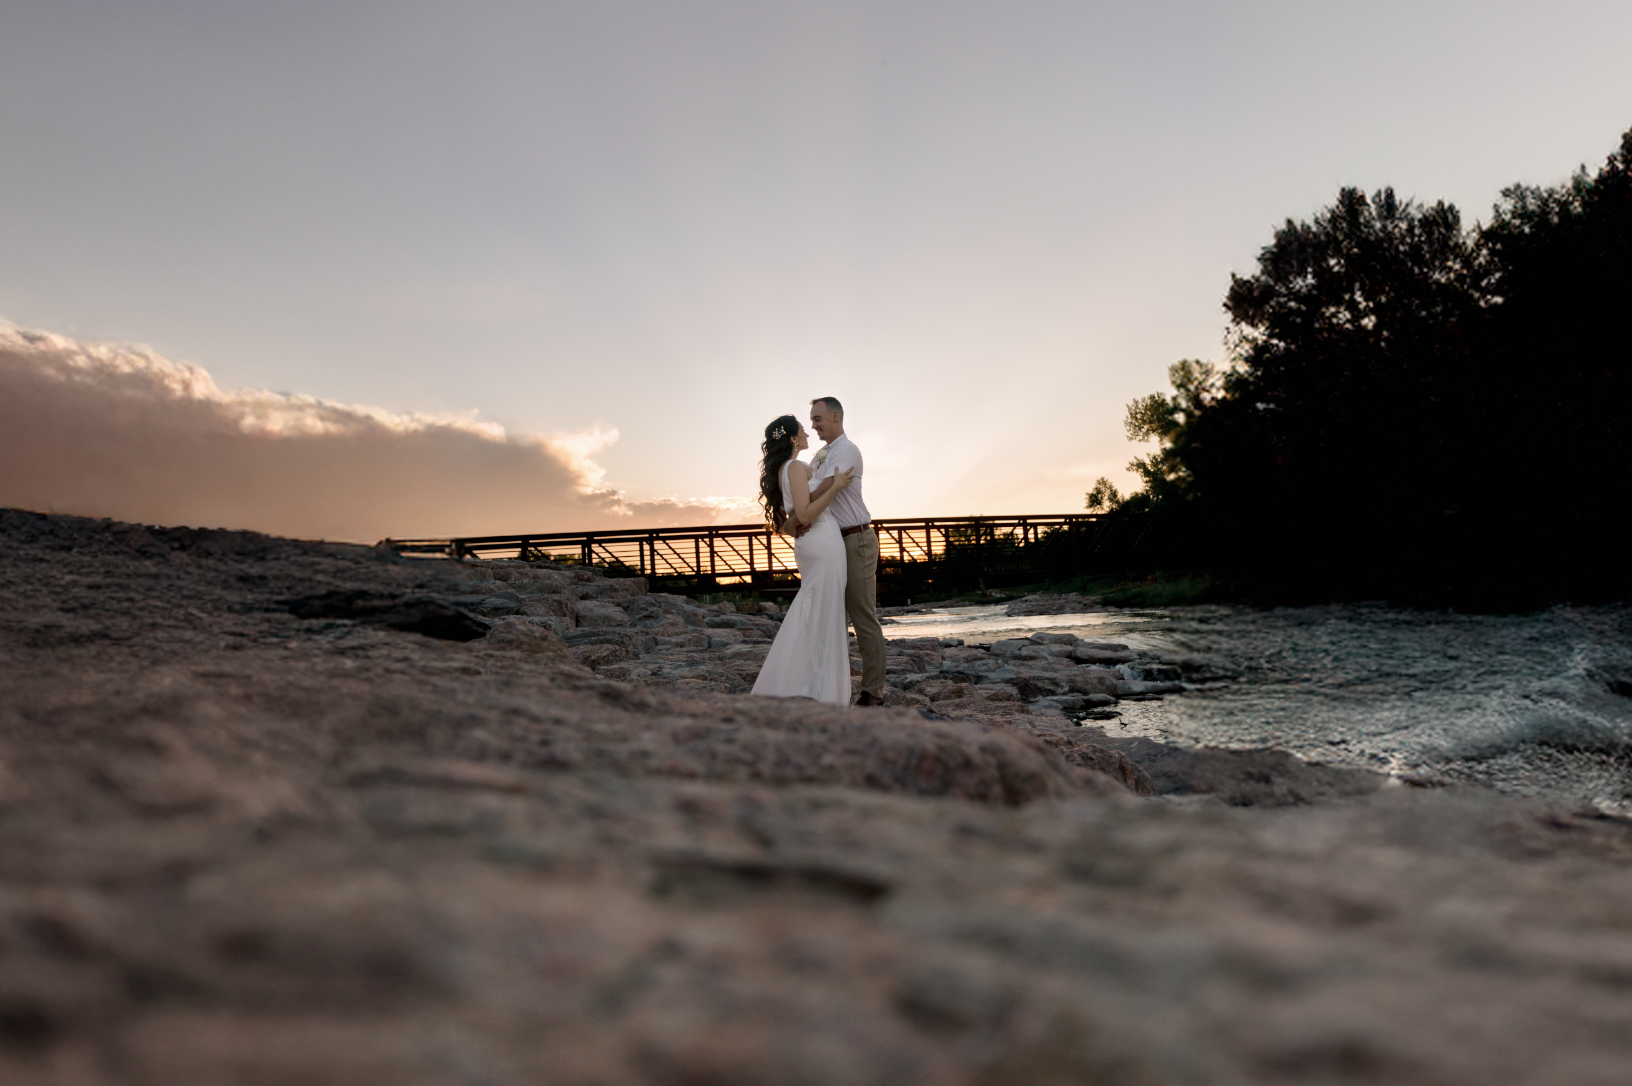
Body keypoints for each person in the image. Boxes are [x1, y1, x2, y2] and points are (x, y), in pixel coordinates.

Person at [750, 414, 854, 705]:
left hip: (812, 543)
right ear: (793, 438)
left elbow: (793, 517)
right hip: (821, 540)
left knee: (817, 609)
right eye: (803, 430)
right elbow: (806, 514)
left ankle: (810, 684)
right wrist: (836, 486)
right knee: (822, 611)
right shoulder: (794, 467)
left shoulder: (792, 467)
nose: (808, 432)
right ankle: (815, 690)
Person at [804, 396, 887, 706]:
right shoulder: (821, 455)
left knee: (862, 615)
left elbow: (819, 490)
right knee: (831, 616)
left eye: (817, 418)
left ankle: (873, 692)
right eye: (811, 420)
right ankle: (831, 687)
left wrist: (797, 512)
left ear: (835, 416)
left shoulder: (847, 450)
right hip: (832, 543)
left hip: (856, 540)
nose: (813, 425)